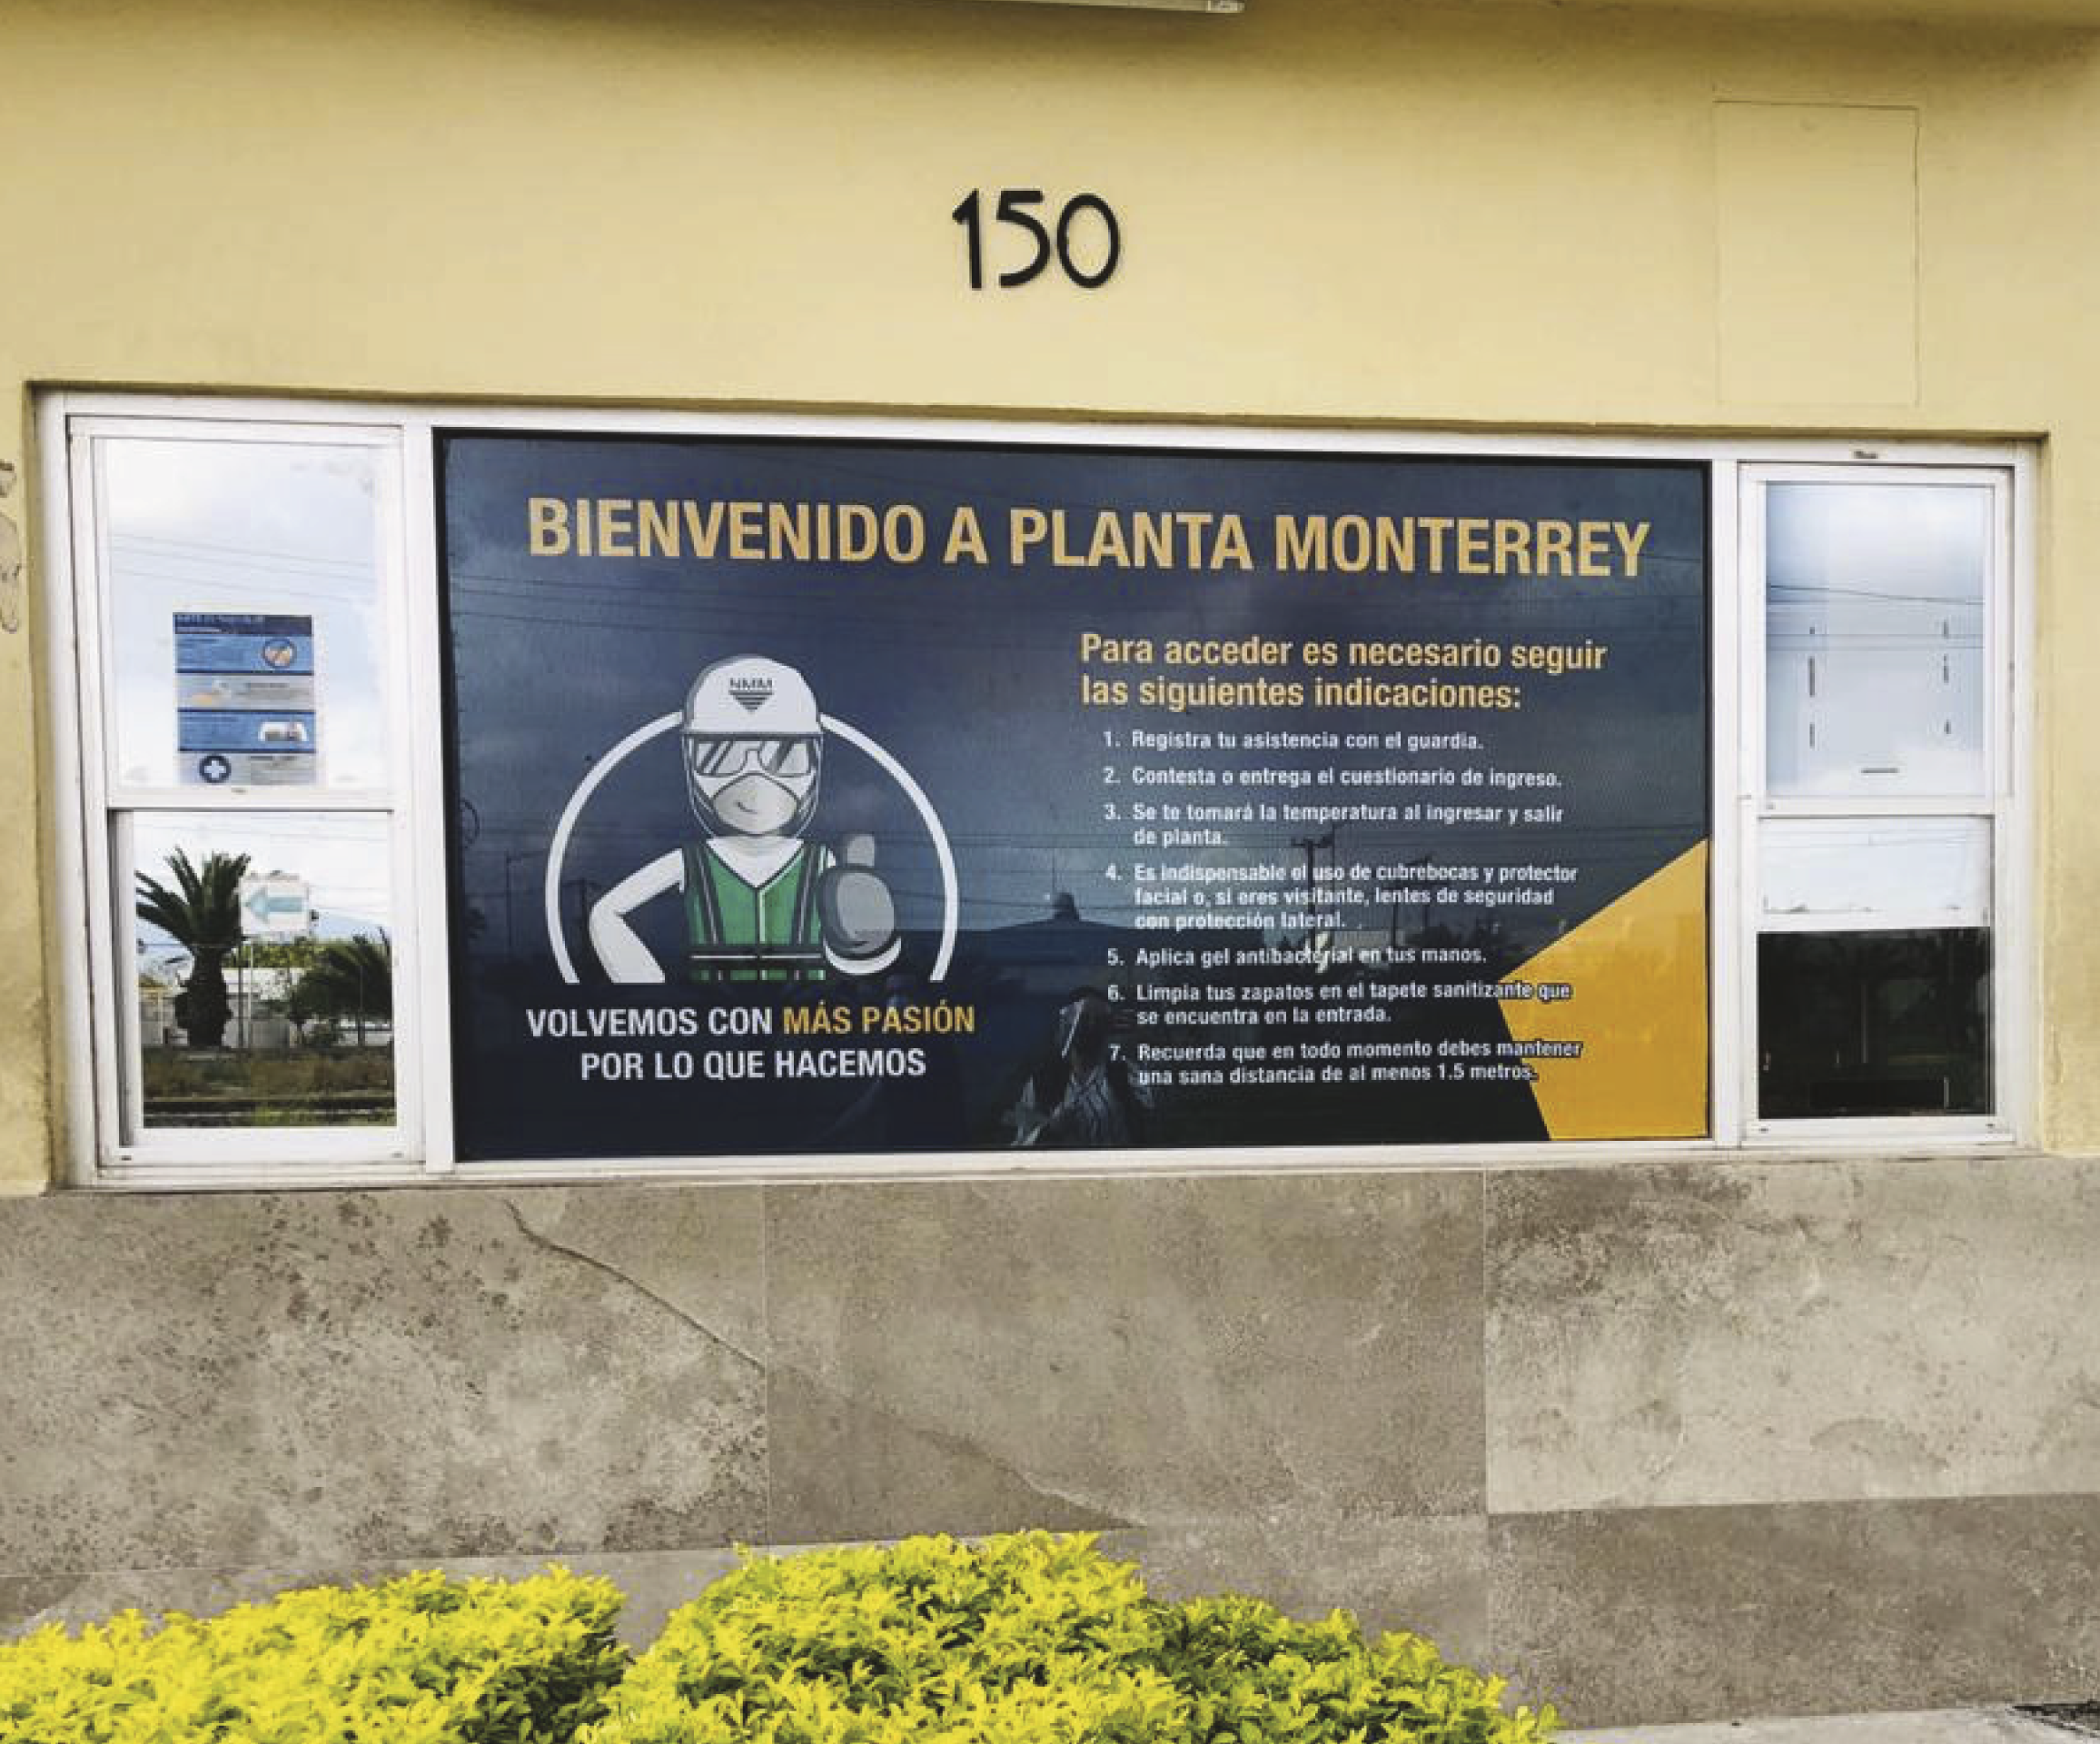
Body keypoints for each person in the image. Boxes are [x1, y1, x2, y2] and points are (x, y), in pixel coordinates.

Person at [589, 656, 898, 983]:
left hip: (803, 1021)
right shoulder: (693, 861)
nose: (754, 780)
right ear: (692, 761)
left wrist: (869, 937)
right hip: (714, 1021)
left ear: (814, 759)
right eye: (723, 756)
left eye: (781, 756)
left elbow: (854, 963)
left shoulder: (821, 862)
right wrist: (653, 992)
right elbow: (606, 913)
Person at [1010, 987, 1151, 1147]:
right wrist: (1049, 1130)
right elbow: (1020, 1144)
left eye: (1099, 1020)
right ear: (1069, 1024)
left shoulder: (1125, 1074)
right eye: (1083, 1019)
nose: (1091, 1026)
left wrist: (1141, 1043)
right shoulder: (1042, 1081)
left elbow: (1155, 1114)